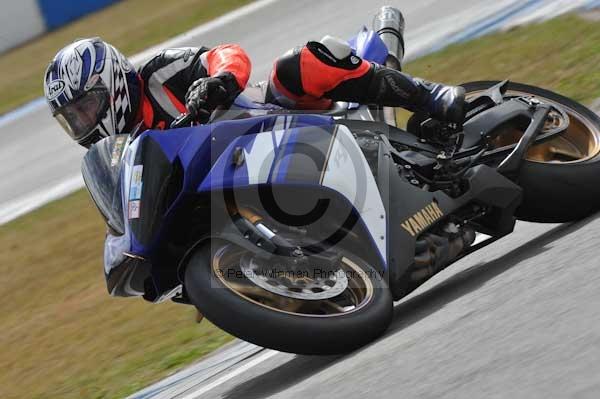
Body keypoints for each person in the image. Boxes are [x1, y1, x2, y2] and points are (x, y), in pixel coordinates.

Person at [44, 36, 465, 148]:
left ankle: (429, 96)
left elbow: (225, 54)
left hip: (273, 119)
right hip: (235, 177)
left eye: (85, 107)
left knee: (300, 64)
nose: (83, 123)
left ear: (111, 83)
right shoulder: (119, 154)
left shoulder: (159, 72)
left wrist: (219, 81)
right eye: (73, 119)